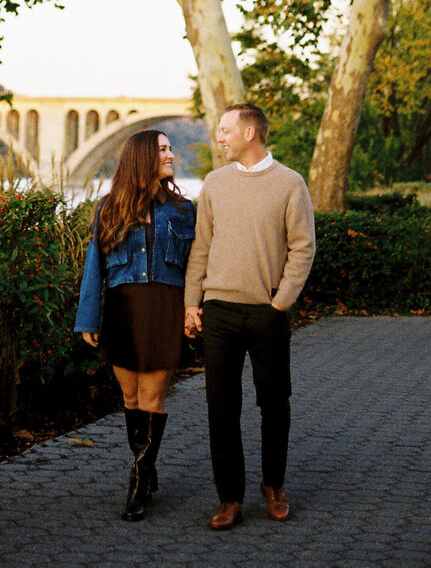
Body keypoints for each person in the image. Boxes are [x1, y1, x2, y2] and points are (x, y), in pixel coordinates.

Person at [184, 103, 315, 530]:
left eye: (225, 130)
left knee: (274, 403)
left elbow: (303, 247)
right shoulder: (215, 184)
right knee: (221, 406)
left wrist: (281, 300)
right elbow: (201, 247)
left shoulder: (290, 183)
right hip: (219, 310)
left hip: (267, 311)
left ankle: (273, 486)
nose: (219, 137)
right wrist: (192, 302)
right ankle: (230, 499)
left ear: (250, 132)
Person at [75, 129, 196, 521]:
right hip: (122, 310)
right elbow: (94, 265)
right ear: (143, 156)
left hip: (163, 308)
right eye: (163, 149)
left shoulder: (183, 210)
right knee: (130, 400)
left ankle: (139, 483)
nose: (171, 155)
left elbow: (197, 266)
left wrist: (194, 309)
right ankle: (146, 467)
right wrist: (88, 317)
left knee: (152, 400)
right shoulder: (108, 208)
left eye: (170, 149)